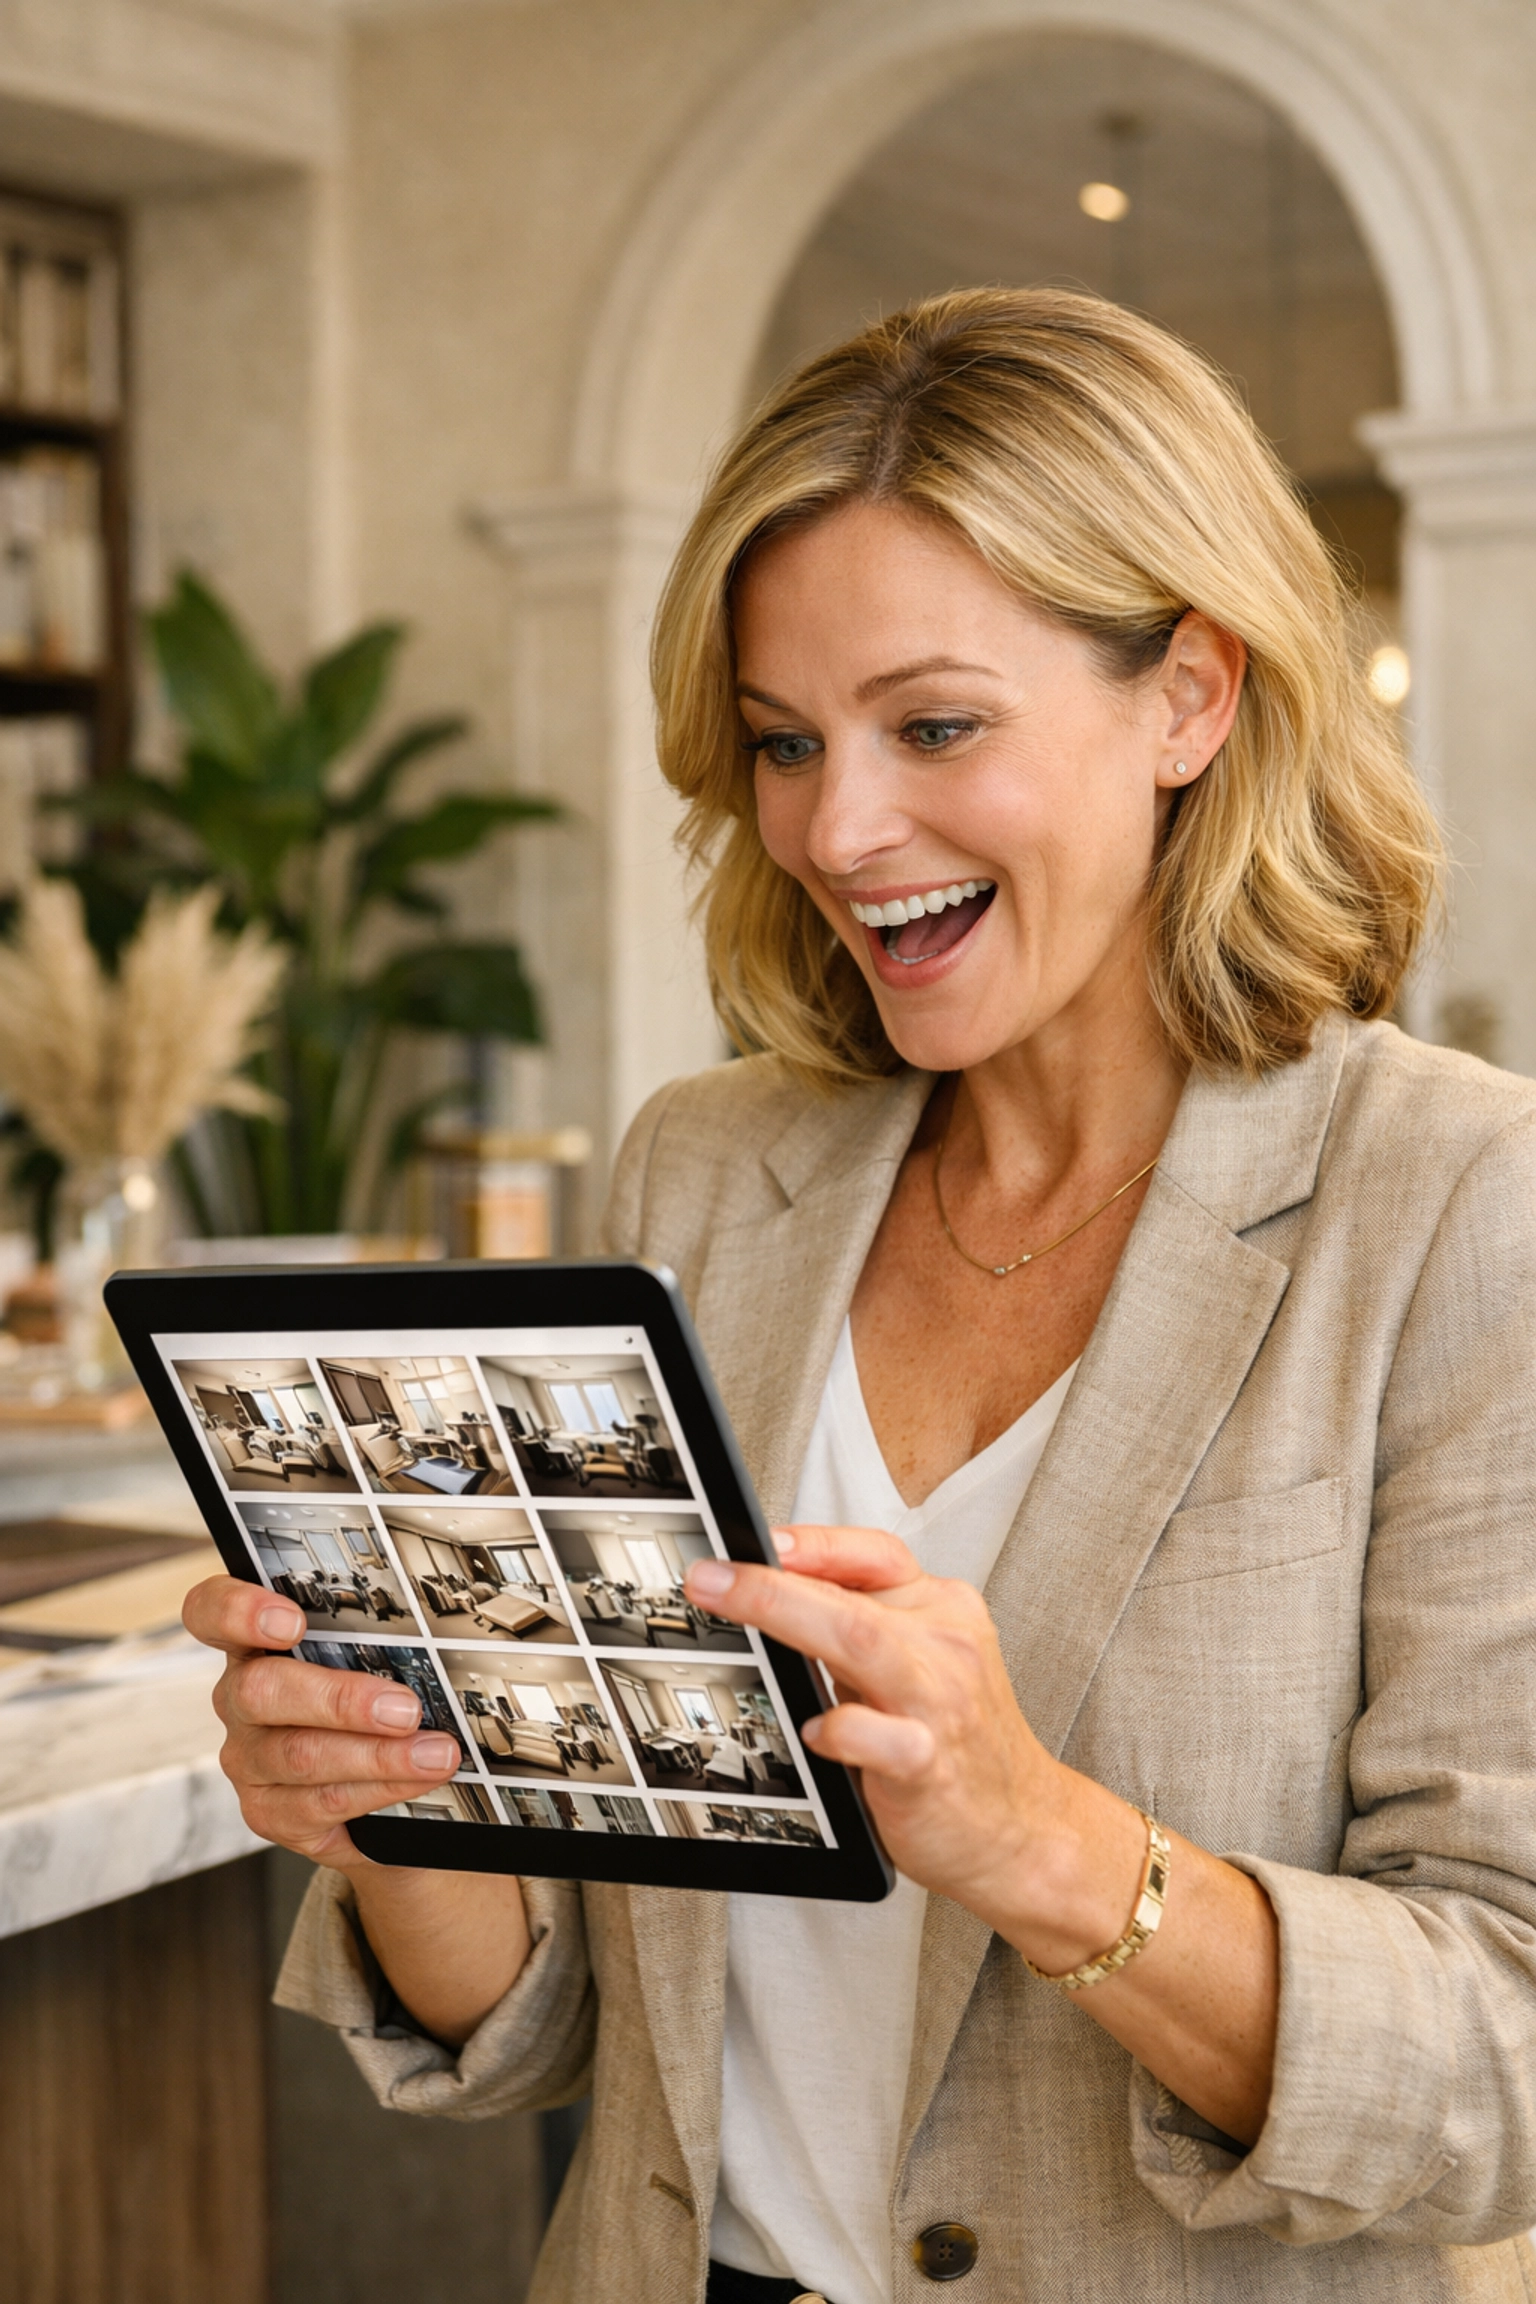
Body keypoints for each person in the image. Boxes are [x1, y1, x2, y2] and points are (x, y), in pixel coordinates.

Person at [184, 289, 1536, 2304]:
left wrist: (1039, 1840)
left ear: (1191, 695)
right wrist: (397, 1811)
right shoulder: (707, 1171)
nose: (838, 828)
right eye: (786, 743)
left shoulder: (1457, 1206)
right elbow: (554, 2032)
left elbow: (1500, 2071)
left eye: (936, 725)